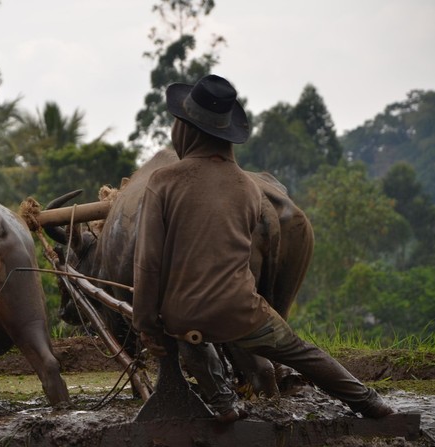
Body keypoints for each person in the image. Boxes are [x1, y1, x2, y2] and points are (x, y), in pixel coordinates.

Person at [131, 74, 393, 422]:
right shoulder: (248, 188)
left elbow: (148, 263)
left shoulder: (162, 182)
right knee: (299, 351)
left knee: (185, 335)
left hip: (184, 317)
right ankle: (369, 402)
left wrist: (146, 325)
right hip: (243, 313)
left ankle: (224, 403)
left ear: (187, 130)